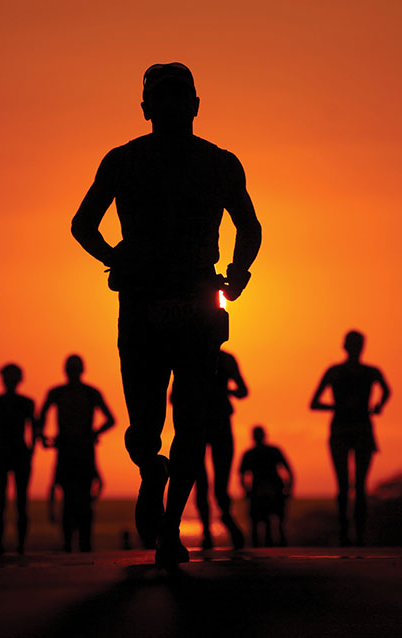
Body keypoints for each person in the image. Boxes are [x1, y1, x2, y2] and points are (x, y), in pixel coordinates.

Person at [70, 62, 262, 567]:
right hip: (145, 300)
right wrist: (117, 259)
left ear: (194, 105)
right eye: (164, 97)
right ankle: (152, 472)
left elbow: (249, 226)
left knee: (191, 417)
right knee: (146, 424)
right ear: (146, 108)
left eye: (179, 97)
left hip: (194, 298)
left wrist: (238, 272)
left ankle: (171, 526)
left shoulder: (218, 163)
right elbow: (83, 224)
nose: (172, 106)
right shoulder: (124, 161)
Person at [311, 330, 390, 546]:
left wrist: (377, 406)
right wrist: (374, 406)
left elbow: (386, 391)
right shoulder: (358, 372)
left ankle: (353, 534)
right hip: (348, 430)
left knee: (354, 486)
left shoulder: (344, 372)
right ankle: (348, 534)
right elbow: (314, 403)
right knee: (349, 486)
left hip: (354, 430)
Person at [40, 354, 116, 552]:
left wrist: (93, 434)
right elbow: (41, 417)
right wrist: (43, 437)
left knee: (81, 498)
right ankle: (71, 544)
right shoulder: (62, 392)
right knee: (71, 498)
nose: (73, 373)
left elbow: (110, 420)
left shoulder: (82, 393)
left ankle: (82, 544)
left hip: (79, 452)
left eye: (74, 369)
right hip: (72, 451)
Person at [0, 363, 39, 555]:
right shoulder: (4, 403)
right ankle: (9, 546)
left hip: (11, 453)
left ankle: (15, 546)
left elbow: (33, 430)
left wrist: (31, 452)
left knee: (13, 503)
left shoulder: (8, 403)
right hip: (8, 453)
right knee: (8, 503)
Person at [193, 349, 248, 550]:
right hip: (203, 423)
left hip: (216, 423)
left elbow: (243, 391)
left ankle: (219, 523)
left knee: (215, 483)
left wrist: (222, 392)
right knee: (202, 482)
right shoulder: (195, 355)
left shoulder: (222, 359)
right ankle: (210, 529)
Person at [239, 425, 293, 547]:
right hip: (264, 491)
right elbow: (242, 476)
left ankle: (265, 549)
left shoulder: (252, 453)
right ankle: (272, 548)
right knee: (263, 525)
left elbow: (242, 476)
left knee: (272, 525)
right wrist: (289, 488)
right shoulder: (269, 451)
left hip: (269, 490)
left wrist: (246, 491)